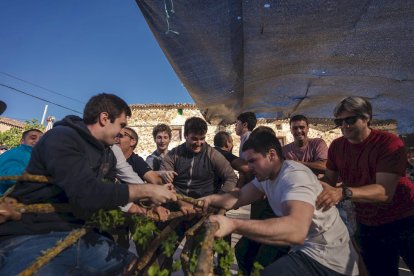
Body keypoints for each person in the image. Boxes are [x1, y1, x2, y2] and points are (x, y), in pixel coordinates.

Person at [0, 93, 177, 274]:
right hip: (33, 234)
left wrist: (149, 202)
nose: (121, 133)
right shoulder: (62, 137)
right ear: (104, 118)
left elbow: (117, 187)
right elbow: (86, 193)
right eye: (121, 125)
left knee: (130, 265)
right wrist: (146, 190)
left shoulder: (107, 154)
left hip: (79, 233)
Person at [202, 131, 359, 275]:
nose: (248, 168)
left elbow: (296, 231)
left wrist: (234, 225)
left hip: (327, 258)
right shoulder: (266, 176)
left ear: (271, 155)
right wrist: (208, 200)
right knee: (246, 254)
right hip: (306, 250)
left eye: (252, 161)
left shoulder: (294, 177)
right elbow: (239, 197)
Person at [316, 96, 414, 276]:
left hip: (405, 219)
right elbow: (329, 180)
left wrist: (342, 192)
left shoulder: (388, 143)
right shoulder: (337, 146)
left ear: (367, 118)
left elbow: (384, 192)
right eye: (340, 121)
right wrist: (305, 182)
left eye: (350, 119)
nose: (344, 125)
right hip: (369, 224)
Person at [160, 117, 237, 214]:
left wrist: (217, 199)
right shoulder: (173, 155)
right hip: (177, 207)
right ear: (185, 136)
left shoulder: (213, 155)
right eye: (194, 139)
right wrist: (181, 203)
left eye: (202, 139)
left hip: (205, 209)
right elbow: (165, 183)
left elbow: (231, 178)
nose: (199, 143)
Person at [0, 128, 43, 195]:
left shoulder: (35, 156)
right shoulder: (17, 153)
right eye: (33, 138)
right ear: (22, 141)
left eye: (41, 139)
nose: (37, 141)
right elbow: (7, 175)